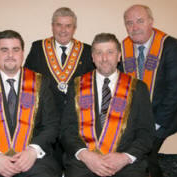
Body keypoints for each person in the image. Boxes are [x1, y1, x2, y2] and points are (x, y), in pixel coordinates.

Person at [0, 30, 61, 177]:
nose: (10, 55)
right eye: (4, 50)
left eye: (15, 49)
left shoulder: (40, 82)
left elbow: (52, 124)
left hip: (31, 158)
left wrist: (33, 151)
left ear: (22, 53)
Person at [60, 33, 155, 177]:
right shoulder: (78, 85)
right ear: (92, 57)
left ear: (119, 56)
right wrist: (85, 155)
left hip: (125, 164)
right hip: (85, 162)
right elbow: (67, 129)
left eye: (110, 52)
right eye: (99, 53)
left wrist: (125, 157)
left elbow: (146, 132)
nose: (104, 58)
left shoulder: (138, 88)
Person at [120, 4, 177, 177]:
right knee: (143, 157)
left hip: (162, 119)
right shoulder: (123, 48)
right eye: (129, 23)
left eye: (140, 21)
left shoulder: (170, 46)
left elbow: (175, 91)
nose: (134, 27)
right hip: (135, 120)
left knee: (142, 155)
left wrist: (153, 126)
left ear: (151, 22)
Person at [24, 7, 95, 114]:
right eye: (59, 25)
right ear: (52, 26)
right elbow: (27, 80)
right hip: (45, 115)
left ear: (74, 28)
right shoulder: (38, 48)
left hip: (77, 115)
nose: (63, 30)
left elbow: (93, 84)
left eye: (68, 26)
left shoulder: (87, 51)